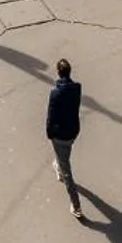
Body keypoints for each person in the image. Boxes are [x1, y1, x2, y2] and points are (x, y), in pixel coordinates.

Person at [45, 58, 84, 219]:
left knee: (67, 170)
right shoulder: (77, 88)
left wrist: (49, 133)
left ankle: (76, 205)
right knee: (63, 156)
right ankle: (59, 167)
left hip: (60, 135)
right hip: (73, 131)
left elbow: (51, 116)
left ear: (58, 72)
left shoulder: (55, 93)